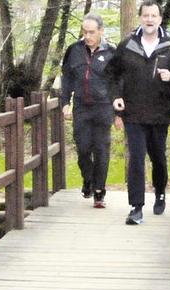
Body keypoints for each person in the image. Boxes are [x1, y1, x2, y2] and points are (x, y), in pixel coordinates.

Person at [106, 0, 170, 225]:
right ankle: (136, 207)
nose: (150, 20)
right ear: (140, 18)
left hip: (160, 113)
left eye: (154, 16)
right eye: (146, 16)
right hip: (133, 113)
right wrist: (116, 97)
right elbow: (112, 75)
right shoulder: (127, 45)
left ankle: (160, 191)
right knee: (136, 158)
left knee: (158, 158)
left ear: (160, 19)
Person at [60, 13, 120, 208]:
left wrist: (119, 113)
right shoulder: (74, 50)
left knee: (101, 150)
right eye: (84, 32)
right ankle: (88, 179)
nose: (87, 36)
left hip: (103, 108)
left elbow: (119, 83)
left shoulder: (112, 52)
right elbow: (67, 77)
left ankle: (99, 191)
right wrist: (64, 102)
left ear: (101, 31)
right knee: (83, 149)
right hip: (81, 108)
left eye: (91, 32)